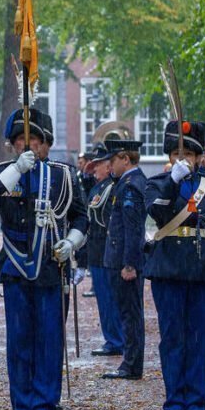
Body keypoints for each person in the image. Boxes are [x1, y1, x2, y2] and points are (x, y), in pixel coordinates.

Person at [0, 108, 87, 410]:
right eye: (21, 140)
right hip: (15, 265)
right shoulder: (3, 171)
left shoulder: (63, 174)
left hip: (51, 264)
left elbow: (80, 216)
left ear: (46, 143)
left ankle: (45, 404)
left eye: (34, 140)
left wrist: (72, 241)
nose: (28, 146)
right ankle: (22, 405)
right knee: (19, 338)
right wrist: (13, 172)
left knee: (50, 338)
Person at [145, 121, 205, 410]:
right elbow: (156, 211)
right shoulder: (158, 182)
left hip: (203, 267)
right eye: (177, 153)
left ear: (199, 156)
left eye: (189, 153)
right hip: (168, 267)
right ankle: (174, 402)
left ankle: (196, 400)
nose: (183, 158)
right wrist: (172, 181)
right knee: (172, 337)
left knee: (199, 336)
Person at [101, 138, 147, 381]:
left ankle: (131, 364)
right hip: (118, 259)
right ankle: (130, 362)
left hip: (123, 262)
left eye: (113, 160)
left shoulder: (131, 185)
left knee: (130, 315)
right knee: (127, 313)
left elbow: (133, 229)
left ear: (125, 159)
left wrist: (130, 263)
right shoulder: (125, 182)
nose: (110, 166)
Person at [83, 144, 124, 357]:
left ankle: (117, 340)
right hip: (96, 250)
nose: (94, 169)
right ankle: (112, 338)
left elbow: (107, 219)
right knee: (104, 299)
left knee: (110, 299)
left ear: (108, 167)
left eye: (98, 165)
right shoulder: (97, 187)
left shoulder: (112, 187)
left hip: (106, 249)